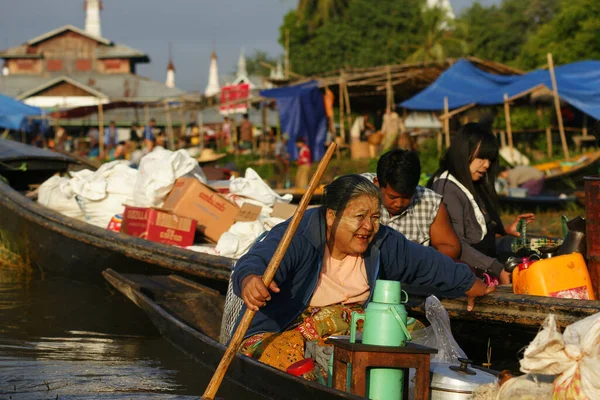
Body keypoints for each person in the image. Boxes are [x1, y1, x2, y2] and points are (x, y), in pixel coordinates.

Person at [232, 174, 493, 375]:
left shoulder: (381, 242)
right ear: (332, 216)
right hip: (281, 331)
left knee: (410, 333)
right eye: (359, 216)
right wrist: (250, 279)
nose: (368, 227)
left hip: (351, 335)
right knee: (297, 349)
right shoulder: (300, 235)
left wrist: (471, 283)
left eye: (376, 217)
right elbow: (257, 259)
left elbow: (428, 264)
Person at [429, 123, 535, 284]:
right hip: (472, 269)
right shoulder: (448, 190)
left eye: (489, 159)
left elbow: (476, 230)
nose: (487, 165)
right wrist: (498, 269)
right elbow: (457, 246)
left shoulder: (469, 181)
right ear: (464, 153)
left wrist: (505, 230)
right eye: (481, 158)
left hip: (487, 258)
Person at [362, 149, 461, 259]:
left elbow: (451, 247)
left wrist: (418, 252)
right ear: (377, 183)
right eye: (392, 197)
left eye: (407, 197)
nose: (399, 204)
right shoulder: (357, 192)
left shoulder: (430, 203)